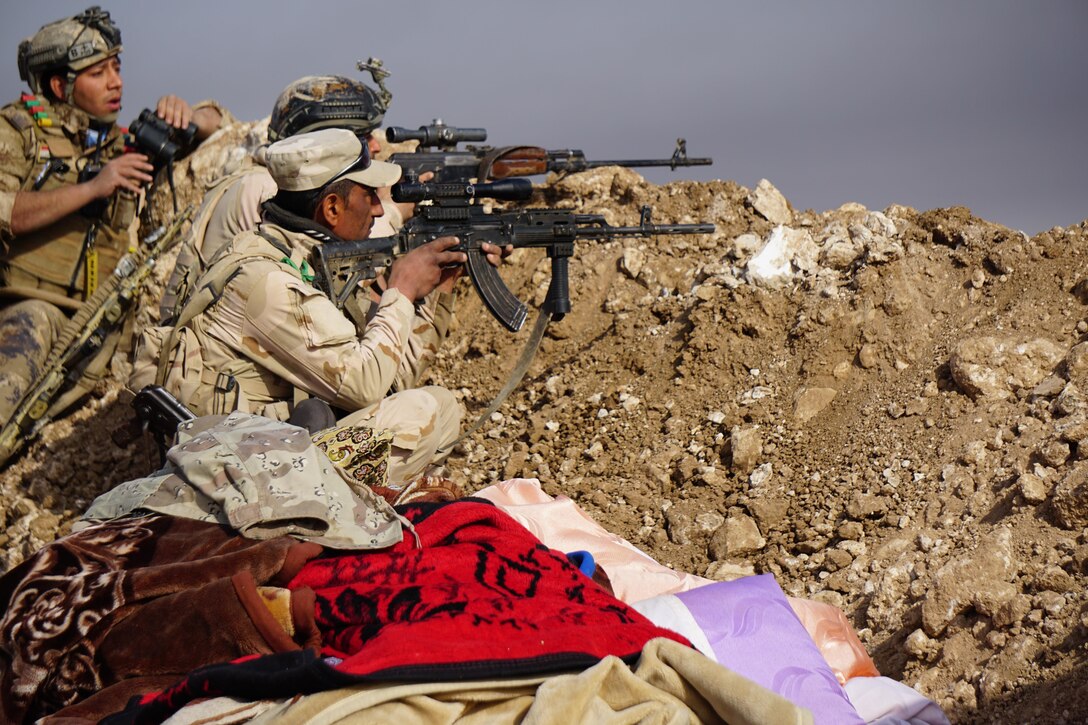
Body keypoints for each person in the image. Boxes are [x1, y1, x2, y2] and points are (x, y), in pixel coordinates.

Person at [132, 128, 509, 487]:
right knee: (427, 411)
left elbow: (390, 381)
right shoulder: (271, 282)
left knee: (437, 408)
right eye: (369, 196)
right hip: (234, 476)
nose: (380, 210)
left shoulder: (296, 260)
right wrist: (402, 290)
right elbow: (367, 386)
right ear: (331, 207)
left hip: (248, 457)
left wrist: (440, 287)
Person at [0, 6, 222, 426]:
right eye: (98, 72)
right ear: (59, 85)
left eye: (116, 67)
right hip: (33, 309)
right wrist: (92, 188)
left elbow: (226, 130)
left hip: (107, 323)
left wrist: (191, 115)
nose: (116, 82)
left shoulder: (121, 145)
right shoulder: (18, 131)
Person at [160, 73, 409, 322]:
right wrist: (395, 211)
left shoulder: (260, 175)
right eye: (363, 138)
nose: (375, 147)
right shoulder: (265, 187)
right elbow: (335, 270)